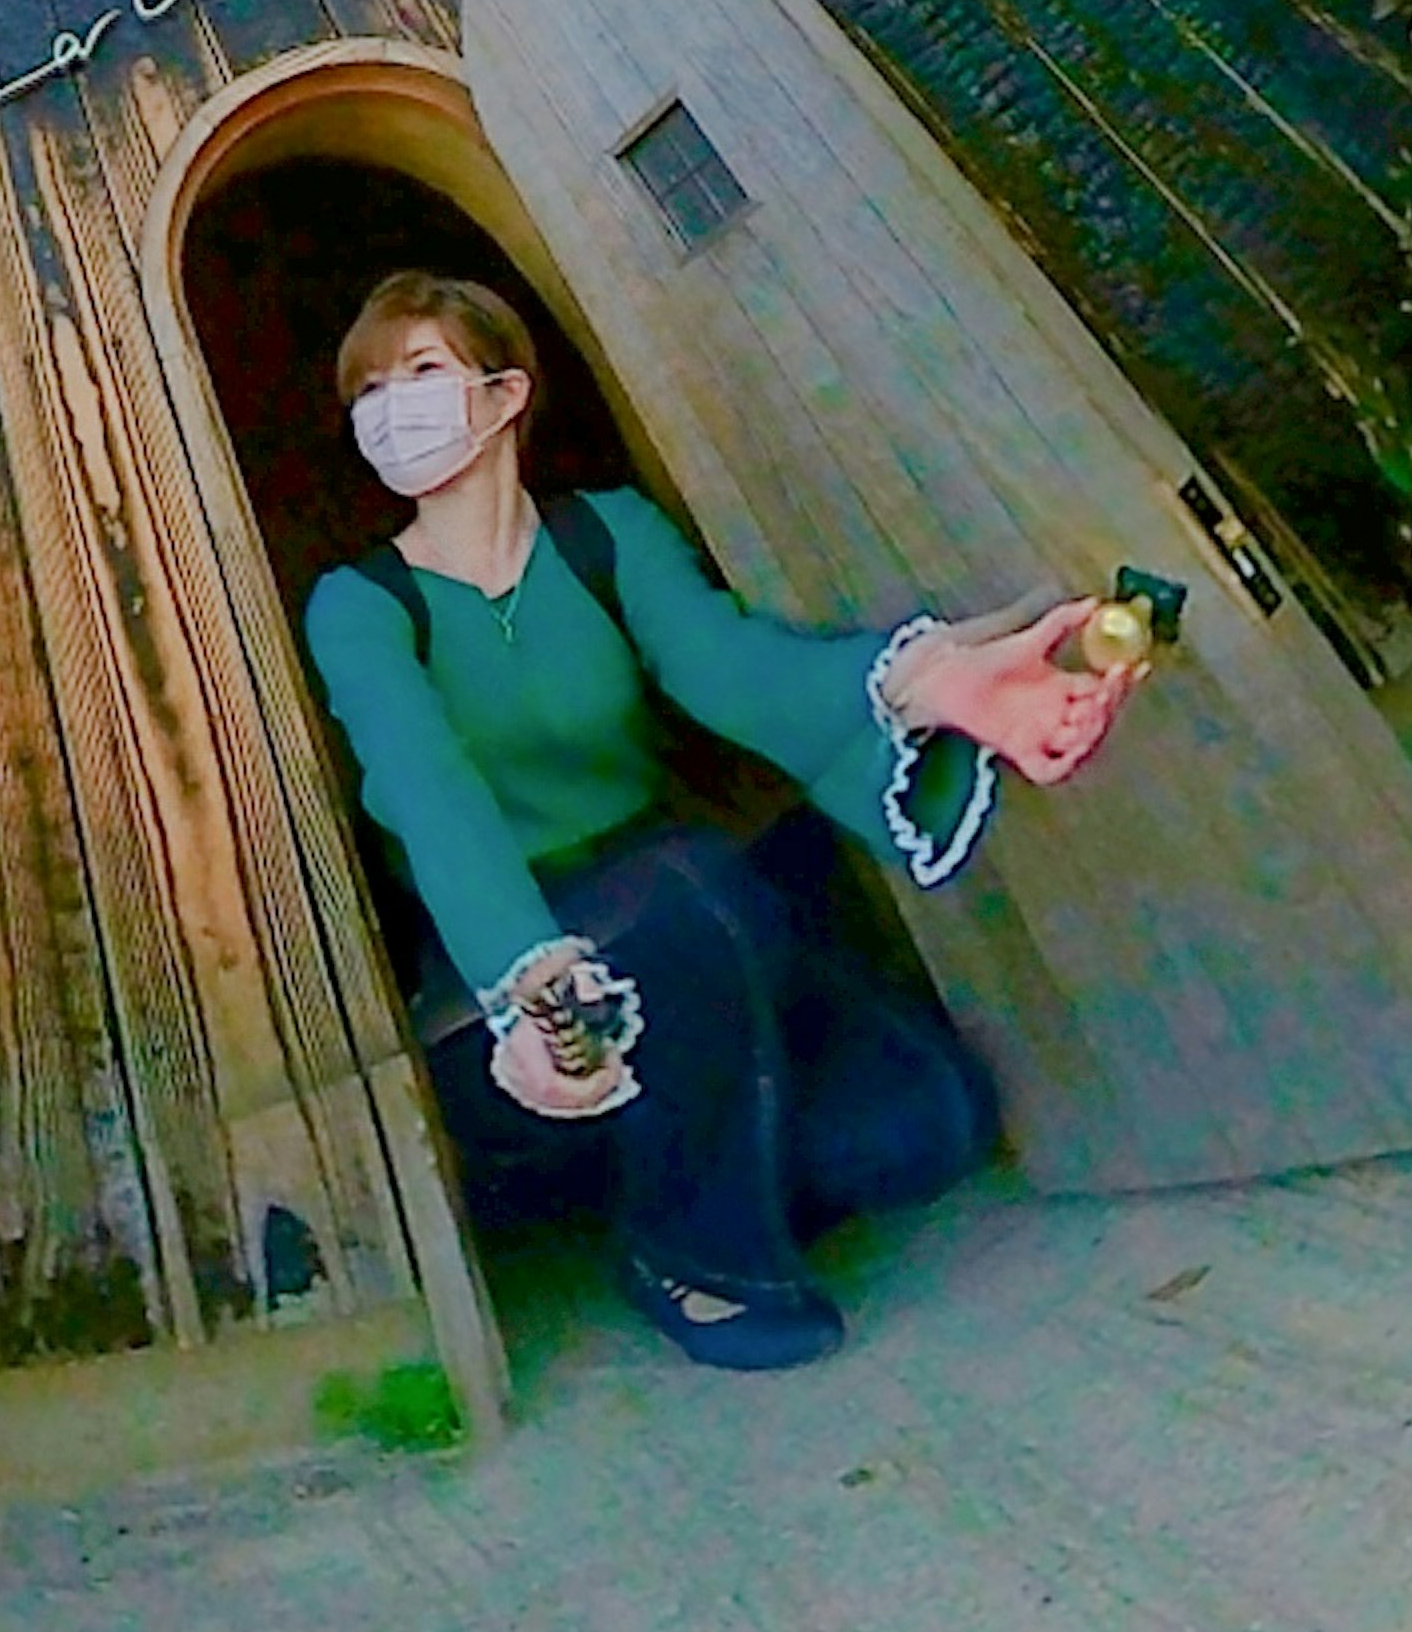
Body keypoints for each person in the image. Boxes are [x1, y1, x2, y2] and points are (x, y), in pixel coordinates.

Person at [304, 267, 1135, 1372]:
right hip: (515, 933)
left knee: (928, 1124)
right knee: (701, 889)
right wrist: (528, 987)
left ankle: (669, 1143)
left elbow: (727, 665)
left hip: (670, 889)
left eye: (419, 371)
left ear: (504, 394)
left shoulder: (607, 534)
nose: (386, 408)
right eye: (367, 387)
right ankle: (692, 1250)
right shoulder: (360, 603)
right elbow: (428, 790)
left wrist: (935, 683)